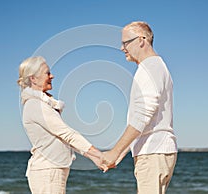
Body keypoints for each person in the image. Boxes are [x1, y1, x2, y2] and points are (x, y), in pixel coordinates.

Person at [102, 21, 178, 194]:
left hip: (153, 152)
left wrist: (115, 152)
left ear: (141, 40)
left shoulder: (150, 68)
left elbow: (143, 115)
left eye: (125, 43)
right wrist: (121, 155)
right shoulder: (155, 67)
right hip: (156, 151)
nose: (122, 48)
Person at [17, 56, 106, 194]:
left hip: (51, 171)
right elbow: (67, 134)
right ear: (33, 78)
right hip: (48, 172)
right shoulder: (36, 105)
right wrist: (98, 155)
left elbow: (63, 138)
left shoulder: (42, 104)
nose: (52, 76)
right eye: (47, 73)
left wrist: (95, 157)